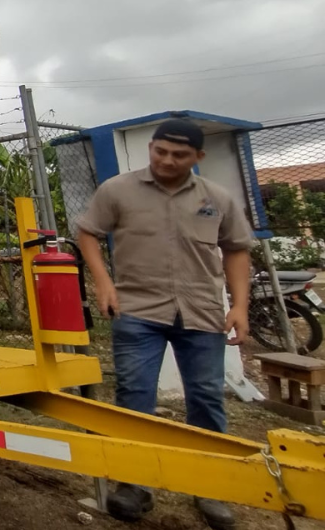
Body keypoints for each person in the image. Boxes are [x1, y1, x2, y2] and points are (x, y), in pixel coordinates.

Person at [76, 119, 255, 530]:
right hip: (137, 309)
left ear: (198, 157)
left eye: (179, 155)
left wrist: (239, 305)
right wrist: (103, 283)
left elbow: (237, 250)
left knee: (207, 397)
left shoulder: (217, 198)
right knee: (135, 394)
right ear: (151, 148)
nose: (167, 161)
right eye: (160, 151)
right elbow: (88, 233)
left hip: (202, 312)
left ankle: (209, 486)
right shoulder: (117, 190)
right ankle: (135, 484)